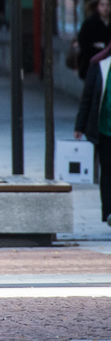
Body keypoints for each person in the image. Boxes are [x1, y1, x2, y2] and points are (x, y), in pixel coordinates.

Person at [75, 45, 111, 226]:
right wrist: (79, 126)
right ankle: (109, 212)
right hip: (104, 129)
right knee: (107, 170)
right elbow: (87, 97)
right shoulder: (99, 65)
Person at [77, 0, 111, 80]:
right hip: (92, 62)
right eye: (102, 5)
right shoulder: (90, 23)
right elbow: (83, 41)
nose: (105, 8)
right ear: (97, 7)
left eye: (108, 5)